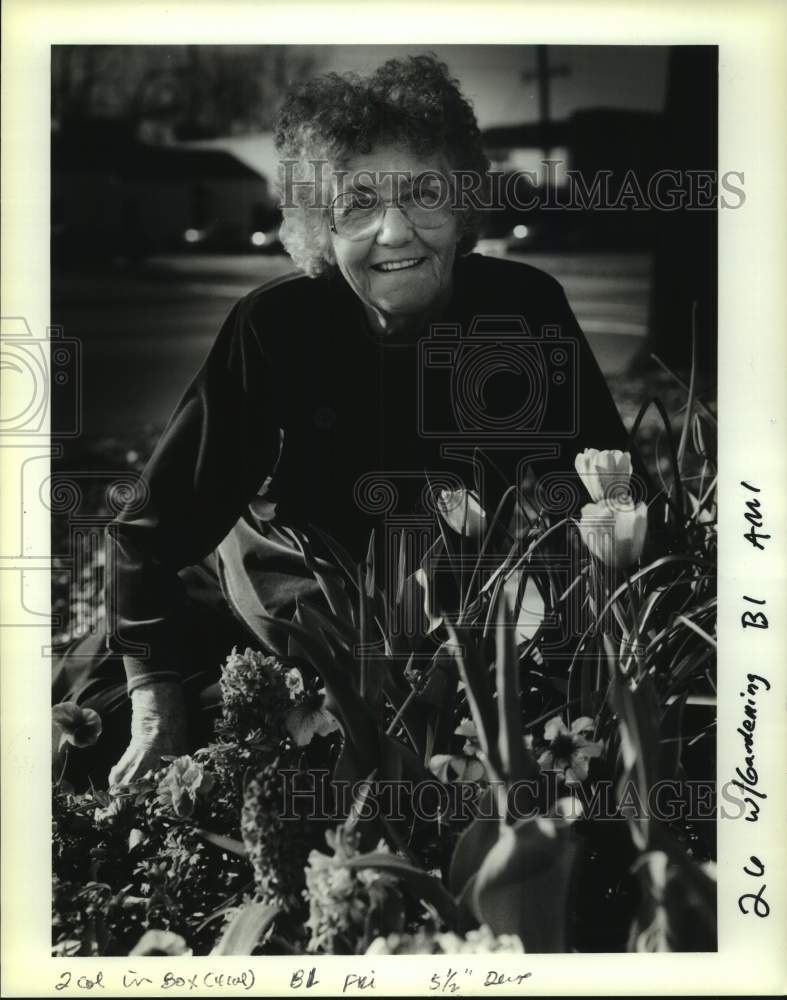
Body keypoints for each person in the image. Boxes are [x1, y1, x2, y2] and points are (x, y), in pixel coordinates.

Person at [53, 55, 635, 789]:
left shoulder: (525, 308)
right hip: (285, 609)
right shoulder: (274, 325)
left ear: (462, 207)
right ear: (320, 232)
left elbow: (605, 492)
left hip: (453, 615)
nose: (394, 232)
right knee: (123, 751)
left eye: (424, 192)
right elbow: (147, 531)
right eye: (356, 205)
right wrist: (152, 702)